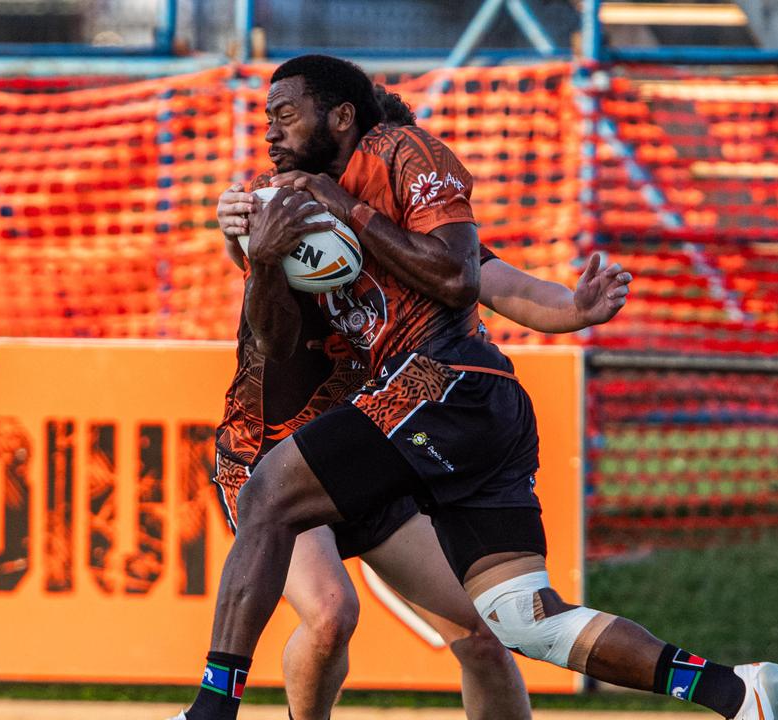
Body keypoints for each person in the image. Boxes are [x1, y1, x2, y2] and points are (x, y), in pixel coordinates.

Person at [178, 55, 778, 720]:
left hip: (431, 399)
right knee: (520, 621)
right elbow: (274, 337)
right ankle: (734, 690)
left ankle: (213, 709)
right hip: (408, 418)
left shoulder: (390, 171)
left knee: (289, 508)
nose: (272, 134)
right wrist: (259, 249)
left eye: (286, 116)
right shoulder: (310, 232)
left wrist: (572, 309)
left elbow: (484, 282)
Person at [208, 86, 633, 720]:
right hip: (273, 457)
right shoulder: (294, 221)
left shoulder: (417, 246)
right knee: (330, 615)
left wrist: (574, 308)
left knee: (486, 633)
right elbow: (271, 336)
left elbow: (500, 283)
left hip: (371, 449)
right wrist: (247, 243)